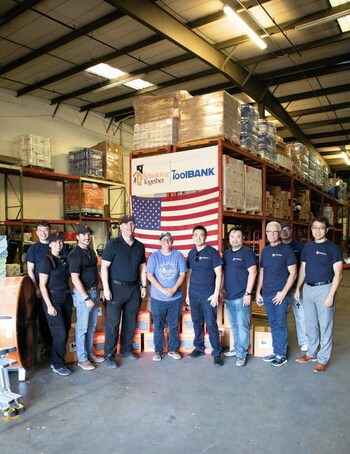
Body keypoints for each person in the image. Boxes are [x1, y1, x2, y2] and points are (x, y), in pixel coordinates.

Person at [294, 216, 343, 373]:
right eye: (314, 227)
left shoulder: (333, 248)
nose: (317, 230)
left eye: (321, 227)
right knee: (310, 324)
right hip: (307, 289)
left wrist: (330, 295)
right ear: (311, 229)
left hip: (325, 289)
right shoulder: (307, 248)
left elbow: (339, 274)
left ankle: (322, 360)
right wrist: (298, 289)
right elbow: (303, 270)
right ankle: (311, 354)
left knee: (325, 325)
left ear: (326, 230)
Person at [101, 215, 147, 369]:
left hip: (134, 289)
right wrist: (106, 288)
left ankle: (126, 350)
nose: (130, 227)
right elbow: (104, 268)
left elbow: (142, 268)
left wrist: (144, 286)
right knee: (113, 323)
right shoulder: (112, 245)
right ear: (121, 227)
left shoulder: (140, 246)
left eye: (132, 224)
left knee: (130, 321)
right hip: (116, 289)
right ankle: (109, 355)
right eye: (126, 224)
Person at [255, 221, 297, 367]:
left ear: (279, 233)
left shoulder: (287, 250)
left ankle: (281, 354)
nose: (272, 234)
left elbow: (293, 273)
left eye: (275, 232)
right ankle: (276, 350)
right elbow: (262, 272)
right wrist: (258, 292)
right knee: (273, 323)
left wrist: (283, 293)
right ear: (266, 233)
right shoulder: (265, 251)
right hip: (266, 293)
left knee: (280, 323)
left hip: (280, 294)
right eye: (269, 232)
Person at [68, 225, 104, 371]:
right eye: (83, 235)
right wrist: (86, 297)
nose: (86, 237)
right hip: (84, 295)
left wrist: (100, 289)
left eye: (88, 234)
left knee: (91, 326)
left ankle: (89, 353)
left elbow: (96, 272)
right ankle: (82, 359)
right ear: (77, 237)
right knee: (82, 327)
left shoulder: (90, 251)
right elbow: (75, 279)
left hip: (95, 292)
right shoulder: (74, 254)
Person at [146, 232, 187, 362]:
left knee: (174, 325)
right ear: (160, 242)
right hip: (158, 299)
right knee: (158, 325)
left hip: (175, 299)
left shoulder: (178, 256)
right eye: (163, 240)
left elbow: (182, 274)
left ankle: (173, 349)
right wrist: (163, 289)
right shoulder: (154, 256)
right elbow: (149, 275)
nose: (166, 242)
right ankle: (158, 350)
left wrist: (173, 289)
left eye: (169, 240)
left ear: (172, 241)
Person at [186, 225, 224, 367]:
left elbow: (219, 274)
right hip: (194, 293)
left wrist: (216, 294)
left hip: (208, 294)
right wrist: (188, 294)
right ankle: (199, 348)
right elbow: (190, 274)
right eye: (196, 235)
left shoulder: (212, 252)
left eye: (201, 235)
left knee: (211, 324)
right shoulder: (191, 253)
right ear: (192, 237)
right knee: (197, 322)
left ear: (205, 237)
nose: (198, 238)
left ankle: (216, 352)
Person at [222, 226, 257, 367]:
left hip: (242, 296)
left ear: (242, 239)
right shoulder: (226, 254)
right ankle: (236, 349)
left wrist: (248, 293)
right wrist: (221, 290)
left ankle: (241, 354)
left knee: (242, 326)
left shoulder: (247, 253)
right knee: (234, 325)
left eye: (238, 236)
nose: (234, 239)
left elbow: (253, 272)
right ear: (229, 239)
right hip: (229, 297)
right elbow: (224, 274)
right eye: (232, 236)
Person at [39, 233, 73, 376]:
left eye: (61, 241)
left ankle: (58, 360)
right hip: (53, 299)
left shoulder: (64, 260)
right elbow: (42, 285)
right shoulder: (46, 261)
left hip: (66, 298)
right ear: (50, 244)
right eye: (55, 242)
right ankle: (57, 364)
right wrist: (49, 305)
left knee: (65, 331)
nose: (59, 244)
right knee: (60, 333)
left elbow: (69, 279)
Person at [280, 221, 308, 352]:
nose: (284, 232)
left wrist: (300, 286)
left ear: (291, 230)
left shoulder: (300, 247)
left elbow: (304, 267)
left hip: (297, 288)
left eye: (286, 229)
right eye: (281, 230)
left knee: (301, 315)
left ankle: (304, 341)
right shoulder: (276, 246)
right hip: (281, 290)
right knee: (280, 318)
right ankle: (282, 344)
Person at [26, 220, 53, 353]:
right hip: (40, 291)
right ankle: (48, 346)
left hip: (55, 289)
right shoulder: (33, 249)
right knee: (44, 319)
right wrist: (36, 288)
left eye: (45, 230)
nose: (43, 233)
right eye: (40, 230)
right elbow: (30, 270)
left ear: (49, 231)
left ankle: (58, 346)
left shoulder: (55, 245)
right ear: (36, 232)